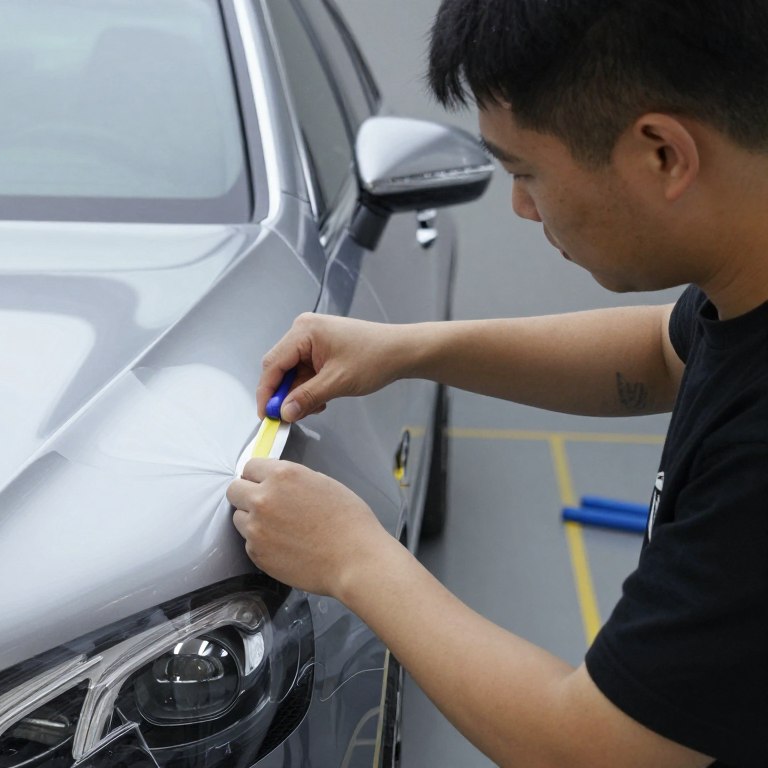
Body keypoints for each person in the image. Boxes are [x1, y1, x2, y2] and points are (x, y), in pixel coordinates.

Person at [226, 1, 768, 765]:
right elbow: (663, 354)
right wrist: (406, 350)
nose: (519, 206)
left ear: (663, 155)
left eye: (526, 171)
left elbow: (598, 748)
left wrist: (353, 556)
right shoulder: (746, 279)